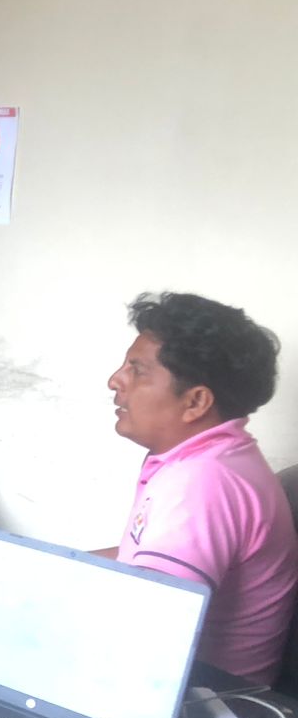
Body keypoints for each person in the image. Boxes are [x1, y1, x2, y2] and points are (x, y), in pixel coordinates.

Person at [106, 292, 296, 685]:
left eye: (137, 371)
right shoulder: (217, 457)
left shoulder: (202, 484)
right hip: (188, 681)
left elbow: (146, 638)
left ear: (195, 402)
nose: (115, 380)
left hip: (201, 700)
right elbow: (137, 560)